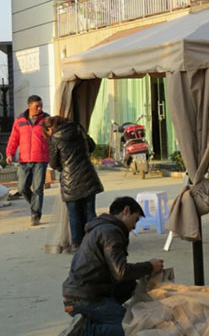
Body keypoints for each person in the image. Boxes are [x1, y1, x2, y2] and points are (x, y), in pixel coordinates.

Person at [61, 196, 164, 336]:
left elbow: (119, 273)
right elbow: (121, 272)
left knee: (131, 287)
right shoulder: (110, 232)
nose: (135, 226)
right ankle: (85, 330)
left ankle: (93, 321)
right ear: (126, 211)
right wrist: (149, 266)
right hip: (83, 300)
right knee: (132, 327)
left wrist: (144, 275)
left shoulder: (103, 227)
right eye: (135, 220)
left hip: (76, 297)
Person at [44, 116, 104, 253]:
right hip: (87, 174)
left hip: (69, 179)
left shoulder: (54, 138)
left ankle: (77, 243)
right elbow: (92, 146)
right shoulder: (78, 129)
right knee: (90, 211)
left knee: (74, 213)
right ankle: (94, 241)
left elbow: (53, 163)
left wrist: (64, 166)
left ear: (51, 128)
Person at [6, 95, 50, 226]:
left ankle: (35, 215)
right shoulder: (20, 120)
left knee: (38, 188)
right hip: (24, 159)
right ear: (29, 106)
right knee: (22, 187)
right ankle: (35, 205)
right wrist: (9, 153)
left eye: (41, 106)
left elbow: (53, 138)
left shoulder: (47, 120)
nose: (40, 108)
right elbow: (14, 138)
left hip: (41, 159)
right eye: (37, 106)